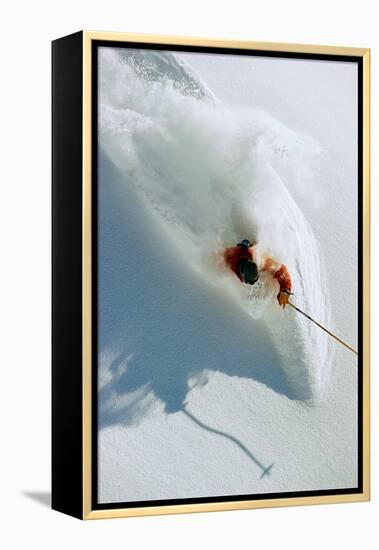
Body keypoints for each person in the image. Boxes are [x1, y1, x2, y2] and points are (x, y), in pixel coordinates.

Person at [223, 239, 292, 308]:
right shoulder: (227, 259)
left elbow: (281, 270)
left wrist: (285, 290)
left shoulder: (259, 260)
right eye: (250, 282)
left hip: (249, 252)